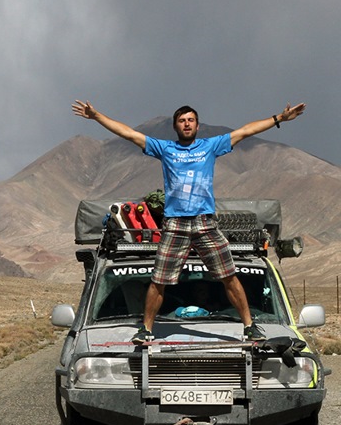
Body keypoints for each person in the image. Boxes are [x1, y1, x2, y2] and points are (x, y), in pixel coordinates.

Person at [71, 100, 306, 343]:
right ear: (175, 126)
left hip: (205, 223)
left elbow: (246, 131)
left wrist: (279, 118)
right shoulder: (165, 149)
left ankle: (249, 327)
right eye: (182, 121)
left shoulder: (211, 146)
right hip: (175, 224)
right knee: (159, 279)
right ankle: (146, 330)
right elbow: (129, 134)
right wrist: (97, 115)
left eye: (191, 120)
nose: (187, 124)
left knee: (229, 275)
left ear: (197, 125)